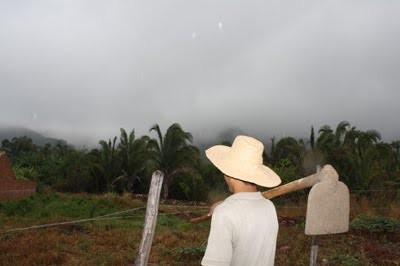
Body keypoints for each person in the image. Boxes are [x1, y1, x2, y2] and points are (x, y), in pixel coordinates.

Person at [201, 135, 282, 266]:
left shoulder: (224, 213)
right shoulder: (269, 207)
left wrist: (223, 209)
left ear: (228, 174)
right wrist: (224, 205)